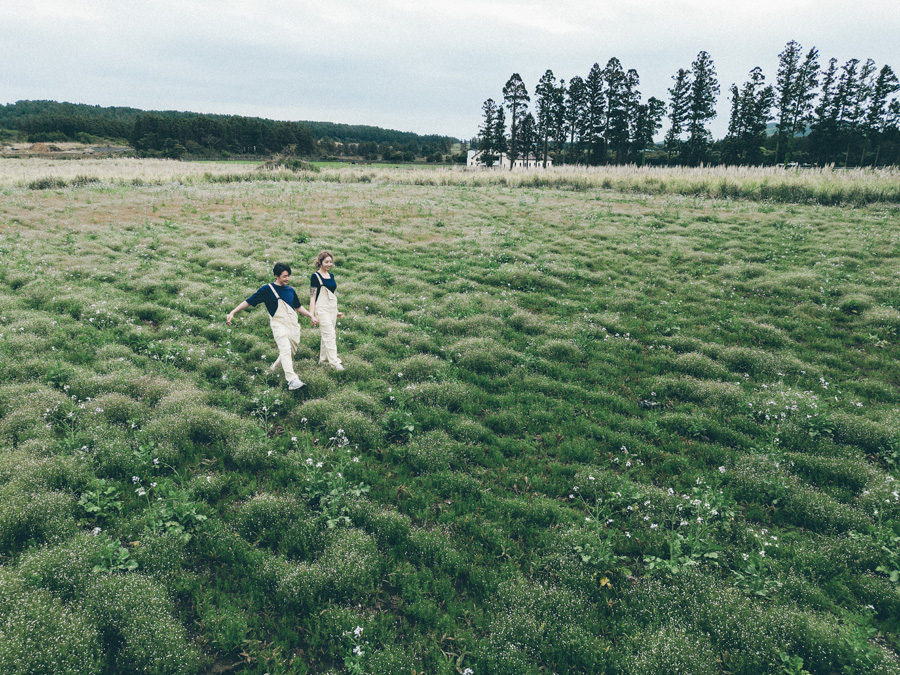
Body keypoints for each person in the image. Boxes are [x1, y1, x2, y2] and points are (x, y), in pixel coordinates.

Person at [226, 262, 318, 391]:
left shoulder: (290, 290)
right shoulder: (267, 289)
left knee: (289, 352)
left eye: (288, 276)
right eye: (284, 276)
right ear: (276, 276)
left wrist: (311, 316)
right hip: (278, 325)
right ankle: (292, 380)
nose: (287, 279)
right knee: (285, 349)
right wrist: (233, 312)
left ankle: (273, 370)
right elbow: (249, 301)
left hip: (293, 325)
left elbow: (298, 306)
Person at [309, 250, 345, 371]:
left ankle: (323, 361)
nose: (329, 264)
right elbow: (312, 297)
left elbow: (331, 295)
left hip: (332, 308)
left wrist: (336, 311)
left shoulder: (331, 276)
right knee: (330, 335)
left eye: (331, 262)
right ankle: (335, 363)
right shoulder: (315, 277)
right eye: (326, 262)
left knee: (326, 335)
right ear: (320, 262)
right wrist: (312, 314)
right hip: (322, 309)